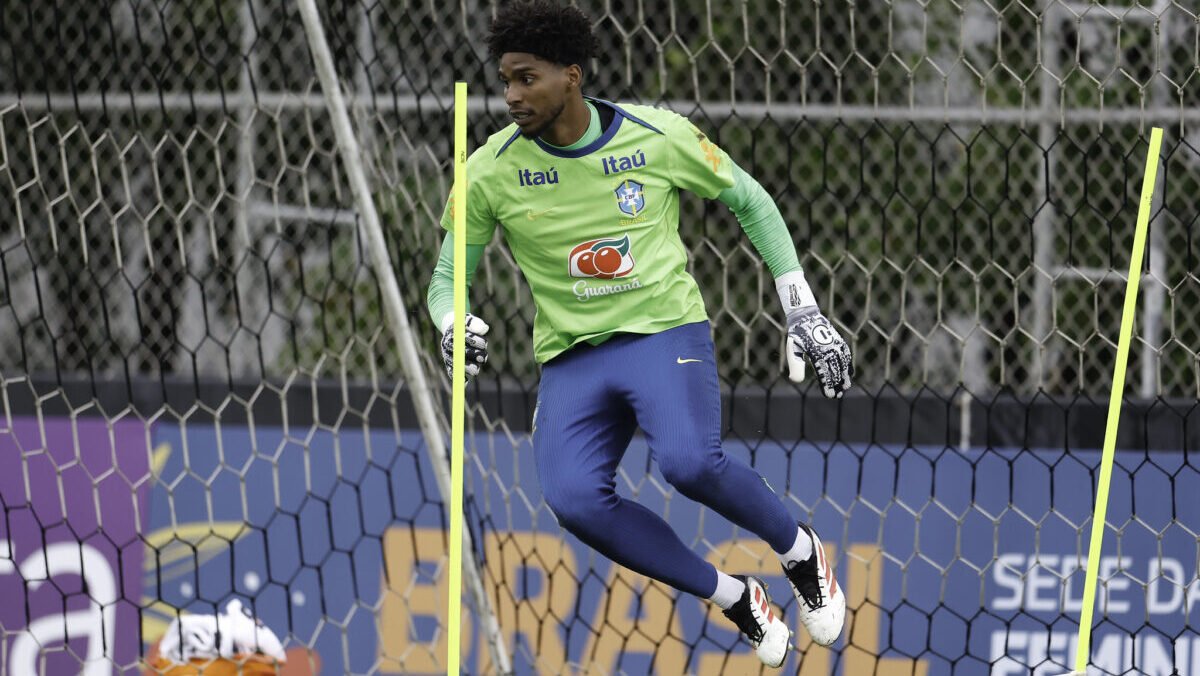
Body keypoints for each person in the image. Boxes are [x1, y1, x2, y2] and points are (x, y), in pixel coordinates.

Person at [426, 0, 853, 667]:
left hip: (662, 332)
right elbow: (447, 277)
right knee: (572, 500)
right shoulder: (488, 170)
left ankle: (800, 551)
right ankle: (732, 596)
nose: (511, 95)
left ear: (571, 74)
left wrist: (800, 308)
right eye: (504, 80)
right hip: (572, 359)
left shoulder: (656, 136)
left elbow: (751, 200)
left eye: (526, 78)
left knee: (687, 462)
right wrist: (453, 321)